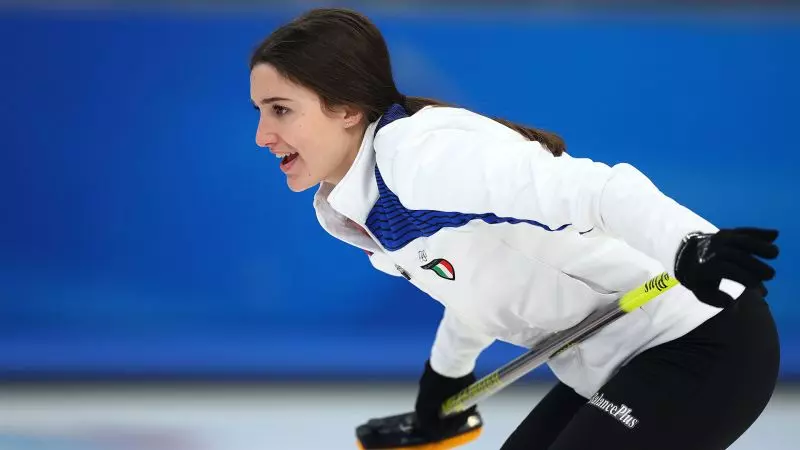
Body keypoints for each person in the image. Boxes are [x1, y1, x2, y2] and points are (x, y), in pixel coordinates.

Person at [248, 8, 780, 450]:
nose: (262, 135)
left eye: (280, 110)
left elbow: (596, 189)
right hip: (614, 360)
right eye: (259, 111)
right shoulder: (354, 204)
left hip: (698, 340)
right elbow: (477, 277)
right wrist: (446, 378)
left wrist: (687, 245)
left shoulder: (422, 157)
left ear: (344, 108)